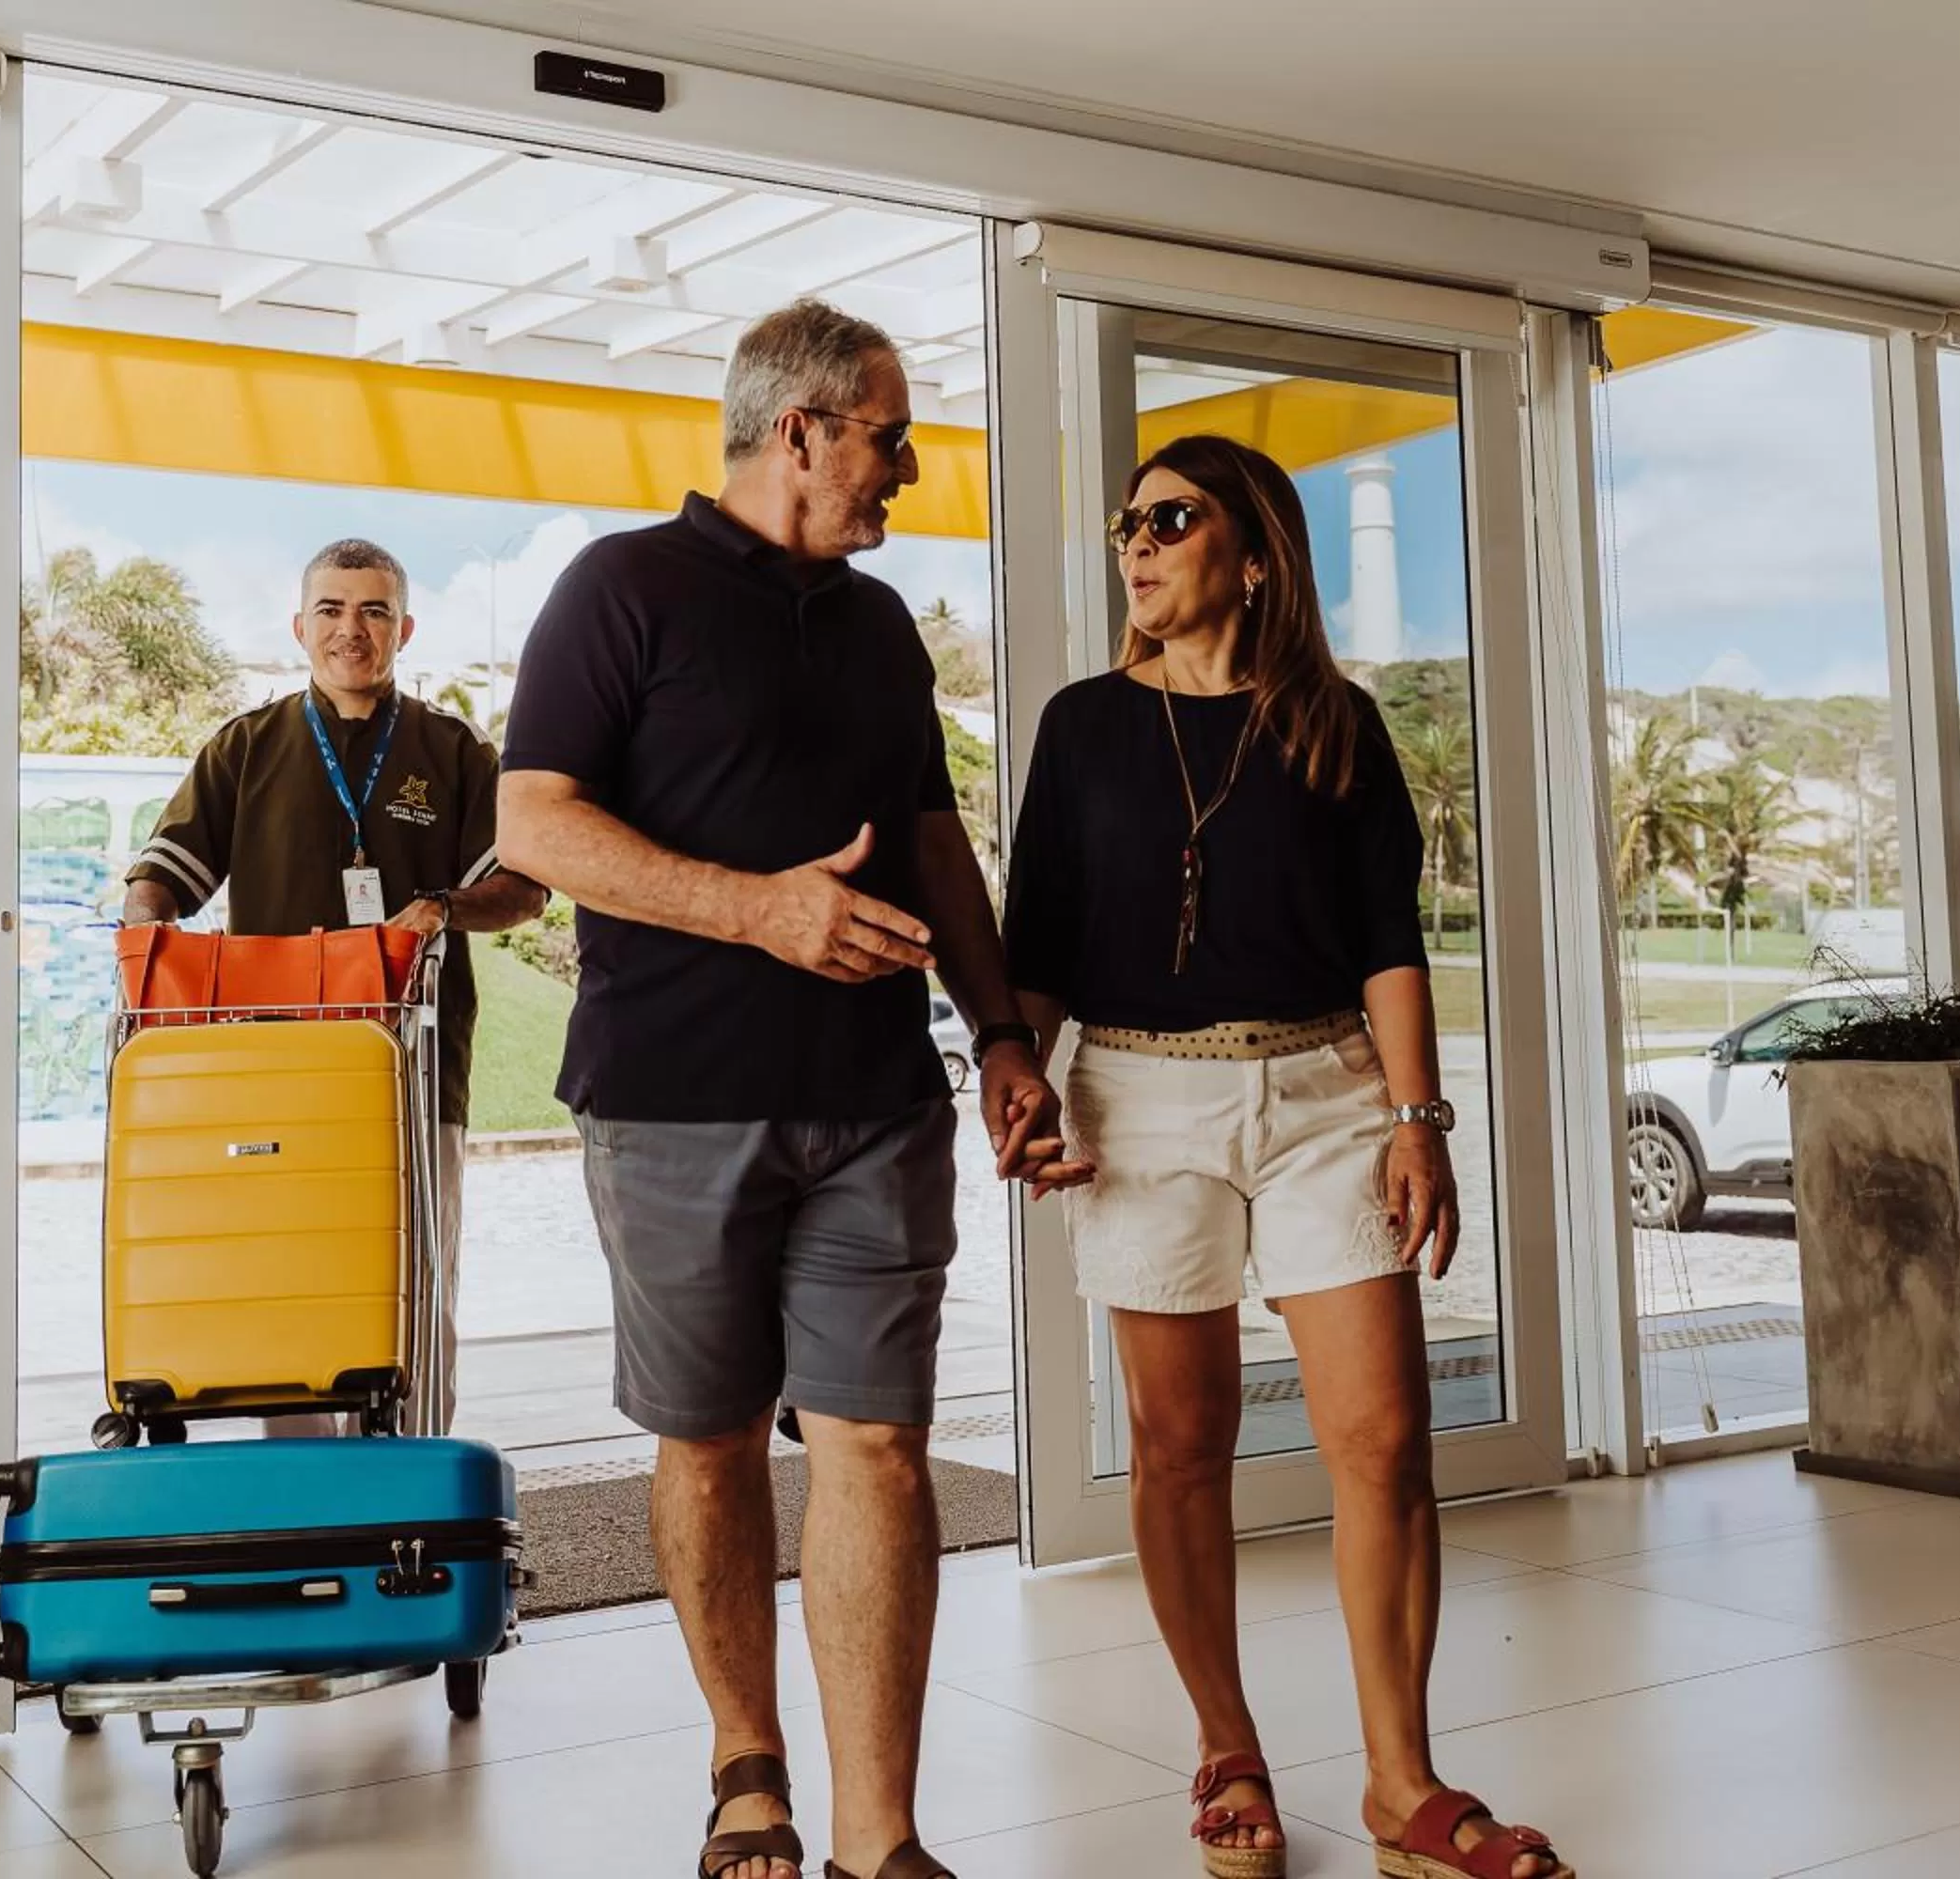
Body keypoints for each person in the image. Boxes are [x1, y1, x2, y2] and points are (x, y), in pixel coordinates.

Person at [498, 300, 1064, 1879]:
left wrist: (1004, 1030)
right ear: (801, 428)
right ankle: (747, 1761)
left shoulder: (884, 630)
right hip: (673, 1100)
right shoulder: (621, 589)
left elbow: (935, 840)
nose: (908, 472)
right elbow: (536, 823)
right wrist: (763, 906)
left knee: (878, 1442)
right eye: (891, 436)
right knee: (713, 1440)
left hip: (882, 1098)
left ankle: (883, 1836)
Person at [999, 434, 1573, 1879]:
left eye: (1173, 519)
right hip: (1140, 1097)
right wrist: (1014, 1079)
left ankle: (1402, 1786)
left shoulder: (1335, 723)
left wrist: (1419, 1119)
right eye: (1129, 521)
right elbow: (1044, 944)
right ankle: (1227, 1748)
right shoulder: (1078, 727)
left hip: (1327, 1091)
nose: (1137, 543)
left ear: (1254, 555)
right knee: (1179, 1446)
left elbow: (1391, 940)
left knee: (1384, 1439)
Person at [122, 538, 548, 1434]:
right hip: (274, 1074)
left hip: (415, 1069)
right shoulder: (246, 746)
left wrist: (442, 907)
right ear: (299, 625)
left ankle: (416, 1484)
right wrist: (143, 924)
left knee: (415, 1279)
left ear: (405, 628)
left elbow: (522, 888)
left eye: (373, 611)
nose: (351, 630)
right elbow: (164, 874)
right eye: (332, 610)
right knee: (288, 1278)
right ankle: (309, 1491)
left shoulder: (454, 749)